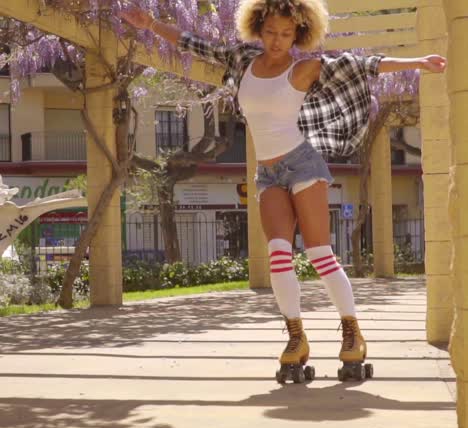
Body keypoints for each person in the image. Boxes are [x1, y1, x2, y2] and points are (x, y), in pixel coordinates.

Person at [120, 0, 447, 382]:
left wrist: (417, 63)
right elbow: (194, 43)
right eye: (271, 32)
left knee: (320, 253)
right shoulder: (243, 59)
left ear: (299, 34)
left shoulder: (305, 66)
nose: (277, 41)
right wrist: (151, 24)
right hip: (268, 172)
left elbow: (365, 64)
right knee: (278, 253)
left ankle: (352, 332)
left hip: (302, 164)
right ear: (258, 28)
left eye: (286, 34)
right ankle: (296, 337)